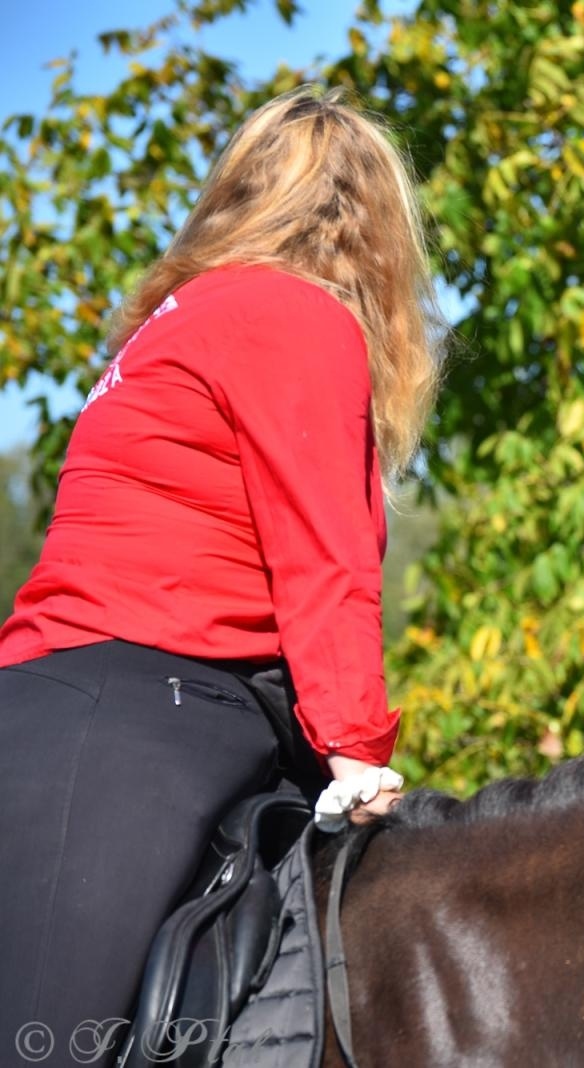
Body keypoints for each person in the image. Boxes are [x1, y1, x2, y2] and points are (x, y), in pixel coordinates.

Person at [0, 86, 443, 1059]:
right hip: (145, 716)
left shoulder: (177, 318)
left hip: (62, 698)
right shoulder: (294, 317)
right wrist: (358, 753)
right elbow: (323, 563)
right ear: (375, 233)